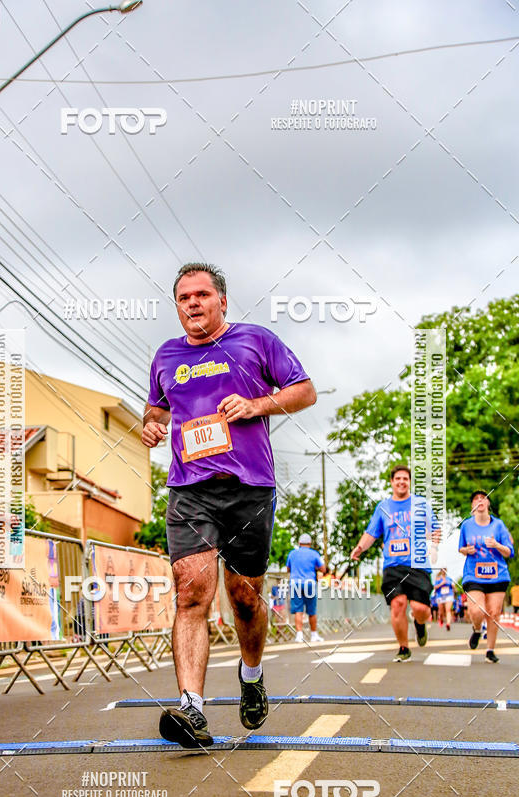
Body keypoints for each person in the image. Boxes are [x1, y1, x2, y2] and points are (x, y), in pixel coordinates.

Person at [142, 262, 316, 747]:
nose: (193, 303)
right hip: (190, 489)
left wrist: (255, 405)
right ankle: (192, 711)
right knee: (192, 590)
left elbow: (305, 391)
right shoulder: (166, 355)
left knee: (244, 597)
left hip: (249, 487)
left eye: (201, 295)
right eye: (183, 297)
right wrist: (151, 426)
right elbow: (156, 407)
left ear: (221, 300)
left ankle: (252, 674)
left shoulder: (255, 340)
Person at [351, 464, 441, 662]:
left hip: (418, 565)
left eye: (405, 479)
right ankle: (403, 648)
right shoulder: (383, 507)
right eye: (398, 478)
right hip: (392, 566)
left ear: (409, 482)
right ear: (392, 482)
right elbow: (371, 533)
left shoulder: (421, 504)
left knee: (420, 609)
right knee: (398, 604)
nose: (402, 482)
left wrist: (433, 547)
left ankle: (419, 624)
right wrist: (360, 547)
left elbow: (435, 529)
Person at [459, 490, 514, 663]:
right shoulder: (466, 526)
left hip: (497, 575)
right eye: (476, 499)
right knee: (476, 610)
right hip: (473, 574)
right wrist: (466, 550)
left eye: (483, 498)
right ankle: (476, 629)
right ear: (472, 506)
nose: (480, 501)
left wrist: (496, 544)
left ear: (488, 504)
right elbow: (461, 548)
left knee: (494, 613)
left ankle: (490, 650)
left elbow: (509, 552)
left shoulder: (498, 525)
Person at [286, 533, 327, 643]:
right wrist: (316, 567)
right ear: (309, 543)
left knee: (298, 610)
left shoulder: (292, 554)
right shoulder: (314, 554)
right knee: (311, 611)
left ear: (299, 543)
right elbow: (323, 569)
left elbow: (288, 569)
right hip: (309, 583)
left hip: (295, 583)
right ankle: (314, 635)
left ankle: (299, 635)